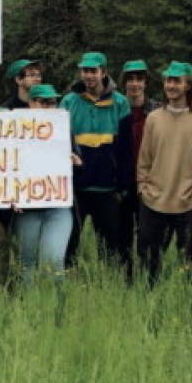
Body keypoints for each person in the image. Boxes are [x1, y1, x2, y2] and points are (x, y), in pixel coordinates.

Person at [136, 62, 192, 286]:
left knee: (190, 262)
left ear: (188, 85)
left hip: (188, 201)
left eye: (176, 81)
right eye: (168, 80)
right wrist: (142, 186)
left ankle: (185, 299)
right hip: (154, 199)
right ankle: (148, 300)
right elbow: (145, 157)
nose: (171, 85)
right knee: (148, 261)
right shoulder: (154, 118)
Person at [60, 52, 132, 276]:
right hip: (76, 189)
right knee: (70, 243)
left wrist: (122, 186)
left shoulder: (120, 103)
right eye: (85, 71)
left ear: (104, 72)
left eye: (93, 71)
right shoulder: (69, 101)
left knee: (110, 247)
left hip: (107, 189)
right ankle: (68, 281)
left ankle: (109, 284)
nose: (88, 75)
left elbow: (124, 149)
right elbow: (59, 143)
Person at [13, 84, 79, 285]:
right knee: (28, 266)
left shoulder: (62, 128)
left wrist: (76, 162)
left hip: (58, 207)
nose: (49, 107)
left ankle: (58, 312)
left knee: (54, 260)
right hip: (27, 209)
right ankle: (30, 311)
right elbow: (3, 168)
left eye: (52, 102)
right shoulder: (14, 130)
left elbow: (78, 160)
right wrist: (9, 195)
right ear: (31, 103)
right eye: (43, 102)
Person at [0, 58, 43, 287]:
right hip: (6, 194)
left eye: (37, 74)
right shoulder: (4, 111)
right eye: (30, 74)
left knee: (30, 245)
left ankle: (29, 288)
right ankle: (3, 289)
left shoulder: (47, 109)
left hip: (36, 193)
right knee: (3, 243)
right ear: (18, 80)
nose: (36, 78)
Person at [117, 59, 161, 268]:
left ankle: (146, 276)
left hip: (150, 182)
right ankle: (124, 277)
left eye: (139, 79)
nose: (135, 84)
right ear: (124, 82)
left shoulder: (158, 111)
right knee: (122, 236)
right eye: (130, 79)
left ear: (145, 82)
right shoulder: (115, 108)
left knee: (148, 235)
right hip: (122, 182)